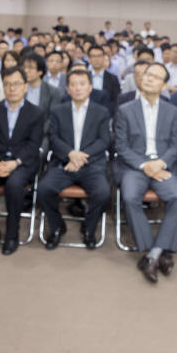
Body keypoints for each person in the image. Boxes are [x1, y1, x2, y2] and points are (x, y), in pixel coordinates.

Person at [115, 62, 177, 283]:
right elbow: (121, 146)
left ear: (164, 85)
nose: (148, 79)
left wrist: (161, 163)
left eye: (155, 77)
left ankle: (152, 255)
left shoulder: (172, 111)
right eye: (147, 75)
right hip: (135, 167)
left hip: (162, 167)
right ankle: (156, 252)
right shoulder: (125, 110)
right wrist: (145, 166)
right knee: (129, 196)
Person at [38, 70, 111, 250]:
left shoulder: (101, 112)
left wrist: (79, 157)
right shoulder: (58, 111)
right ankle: (56, 227)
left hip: (91, 164)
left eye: (82, 84)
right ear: (68, 88)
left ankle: (89, 228)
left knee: (103, 193)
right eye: (73, 84)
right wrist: (70, 154)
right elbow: (53, 138)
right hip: (64, 163)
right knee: (44, 189)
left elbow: (104, 140)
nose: (78, 88)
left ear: (90, 87)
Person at [0, 66, 44, 255]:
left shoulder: (36, 113)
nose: (12, 88)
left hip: (22, 163)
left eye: (16, 84)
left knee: (14, 185)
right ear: (3, 87)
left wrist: (16, 163)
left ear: (25, 87)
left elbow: (33, 145)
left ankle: (12, 235)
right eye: (7, 84)